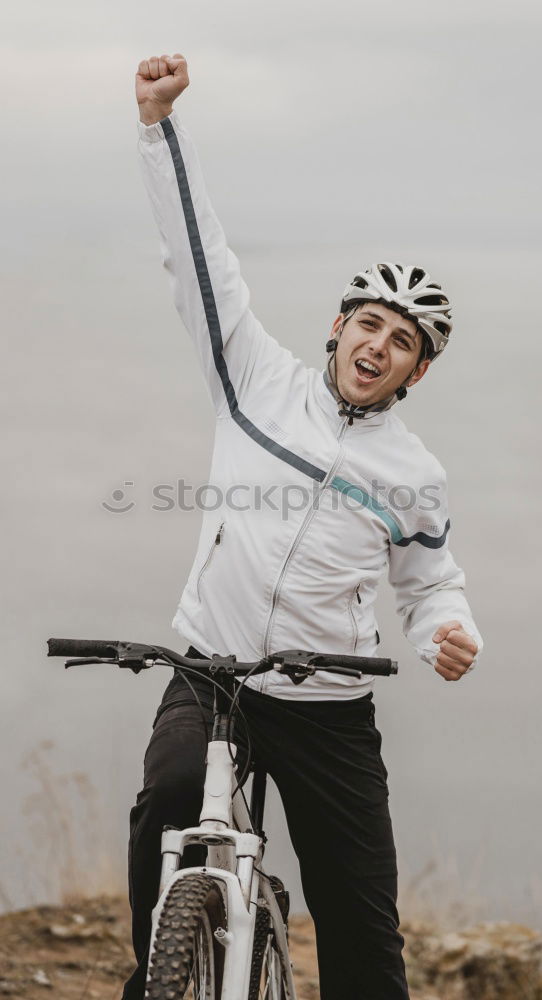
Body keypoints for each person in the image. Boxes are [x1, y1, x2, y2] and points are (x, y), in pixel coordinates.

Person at [123, 52, 483, 1000]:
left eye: (403, 341)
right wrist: (159, 125)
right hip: (216, 672)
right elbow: (198, 256)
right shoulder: (254, 381)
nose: (379, 344)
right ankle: (152, 977)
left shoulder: (413, 474)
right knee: (164, 806)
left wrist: (449, 630)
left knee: (364, 940)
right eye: (370, 322)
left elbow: (430, 582)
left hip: (328, 707)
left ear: (416, 373)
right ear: (338, 325)